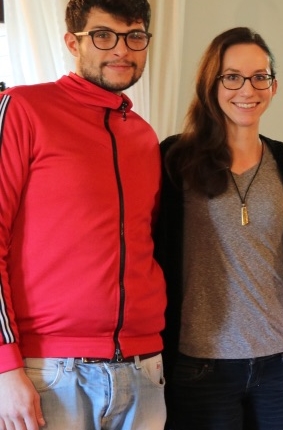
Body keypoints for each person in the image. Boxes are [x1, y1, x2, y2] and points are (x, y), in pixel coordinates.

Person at [0, 0, 166, 429]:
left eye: (135, 36)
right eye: (104, 35)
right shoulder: (21, 109)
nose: (122, 50)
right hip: (49, 371)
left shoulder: (145, 136)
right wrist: (4, 367)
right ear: (73, 42)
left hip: (143, 368)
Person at [154, 27, 283, 428]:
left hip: (281, 357)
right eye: (233, 76)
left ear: (273, 86)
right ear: (212, 83)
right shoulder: (175, 158)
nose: (248, 89)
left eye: (260, 76)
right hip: (202, 362)